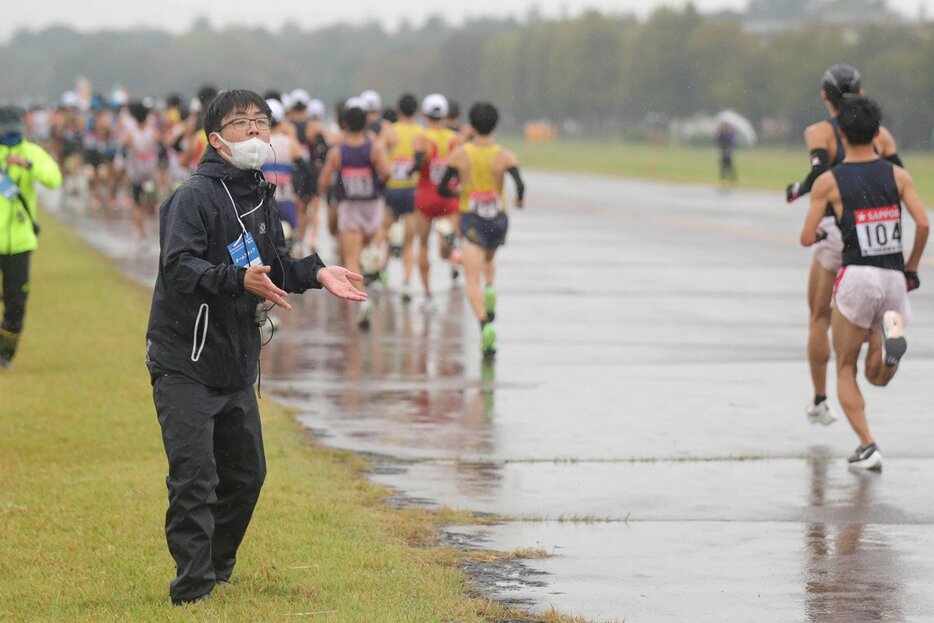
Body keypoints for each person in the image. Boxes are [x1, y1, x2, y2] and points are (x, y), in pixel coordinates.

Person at [145, 89, 367, 605]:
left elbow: (274, 265)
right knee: (195, 478)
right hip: (185, 359)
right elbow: (179, 268)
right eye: (241, 123)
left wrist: (316, 271)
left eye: (262, 122)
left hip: (236, 359)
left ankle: (218, 568)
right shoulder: (192, 197)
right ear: (216, 138)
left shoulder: (260, 195)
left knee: (247, 475)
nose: (254, 131)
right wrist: (235, 279)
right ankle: (193, 589)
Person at [799, 97, 927, 471]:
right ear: (877, 133)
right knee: (879, 377)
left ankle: (868, 445)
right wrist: (912, 266)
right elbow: (922, 223)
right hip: (894, 282)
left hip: (856, 279)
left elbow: (808, 237)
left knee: (846, 369)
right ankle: (890, 348)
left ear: (840, 133)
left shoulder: (828, 182)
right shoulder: (897, 175)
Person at [785, 64, 903, 426]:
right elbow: (897, 174)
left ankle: (821, 399)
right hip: (872, 231)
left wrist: (798, 189)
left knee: (820, 316)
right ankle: (878, 341)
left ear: (825, 95)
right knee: (865, 306)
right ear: (861, 93)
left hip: (833, 233)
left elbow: (820, 171)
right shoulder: (880, 134)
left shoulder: (820, 131)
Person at [439, 102, 525, 357]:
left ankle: (484, 324)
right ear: (496, 125)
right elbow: (520, 184)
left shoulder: (460, 155)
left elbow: (443, 187)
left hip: (472, 220)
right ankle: (491, 288)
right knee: (488, 259)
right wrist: (519, 199)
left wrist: (460, 190)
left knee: (471, 278)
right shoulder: (505, 155)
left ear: (472, 126)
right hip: (498, 221)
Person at [316, 97, 391, 329]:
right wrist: (373, 180)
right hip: (373, 206)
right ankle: (373, 258)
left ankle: (361, 300)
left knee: (350, 258)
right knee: (365, 248)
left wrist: (341, 183)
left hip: (350, 207)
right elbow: (387, 173)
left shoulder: (338, 152)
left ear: (345, 125)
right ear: (366, 124)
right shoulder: (375, 148)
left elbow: (323, 181)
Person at [0, 106, 62, 369]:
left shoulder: (32, 152)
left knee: (16, 303)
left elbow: (54, 179)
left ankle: (5, 355)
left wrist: (30, 166)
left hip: (21, 243)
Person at [412, 93, 461, 311]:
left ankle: (428, 295)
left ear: (423, 113)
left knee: (422, 245)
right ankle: (453, 250)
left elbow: (418, 162)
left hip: (425, 195)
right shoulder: (455, 139)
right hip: (449, 196)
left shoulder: (421, 138)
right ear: (446, 114)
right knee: (445, 249)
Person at [380, 93, 424, 302]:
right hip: (411, 190)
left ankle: (379, 268)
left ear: (398, 111)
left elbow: (377, 152)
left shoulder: (390, 131)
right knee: (410, 241)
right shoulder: (420, 133)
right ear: (416, 111)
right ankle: (406, 283)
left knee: (384, 230)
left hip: (391, 188)